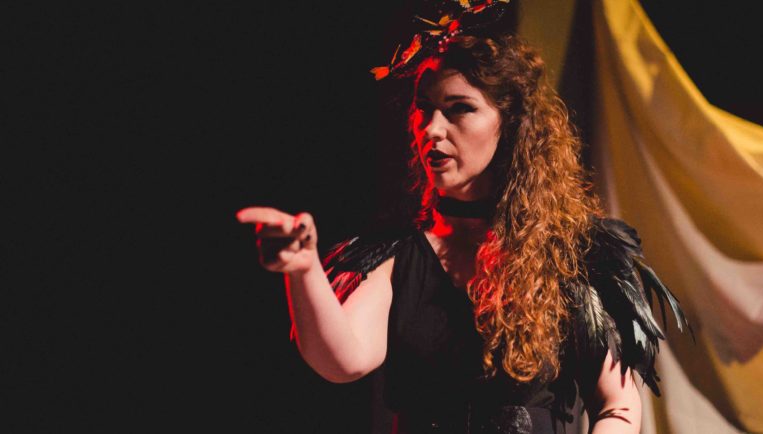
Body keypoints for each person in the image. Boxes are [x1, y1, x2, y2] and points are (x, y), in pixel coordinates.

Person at [237, 21, 690, 434]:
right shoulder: (397, 256)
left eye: (459, 109)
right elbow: (343, 360)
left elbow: (618, 405)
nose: (431, 129)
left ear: (509, 124)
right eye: (424, 109)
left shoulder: (572, 256)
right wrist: (303, 270)